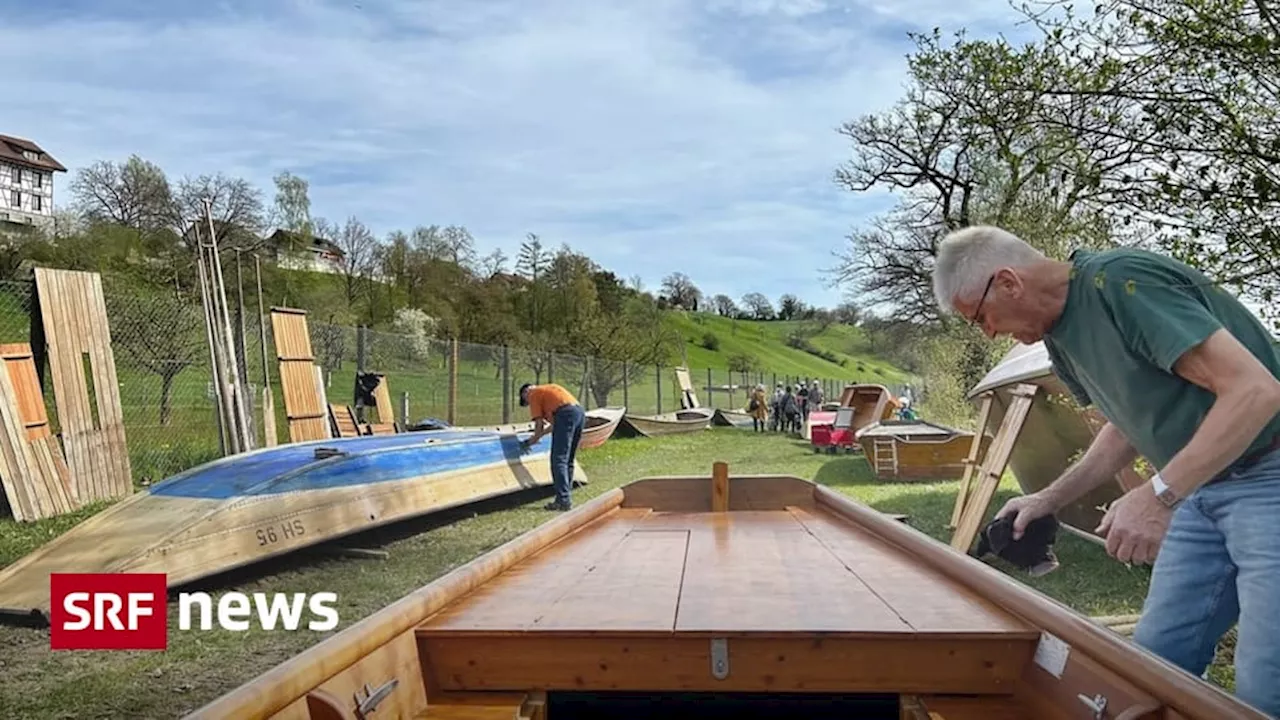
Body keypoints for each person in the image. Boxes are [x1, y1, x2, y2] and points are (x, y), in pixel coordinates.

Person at [931, 225, 1280, 715]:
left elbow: (1256, 391)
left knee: (1267, 685)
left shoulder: (1122, 284)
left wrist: (1158, 495)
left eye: (981, 317)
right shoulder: (1059, 338)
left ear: (1008, 282)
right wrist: (1046, 498)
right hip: (1204, 490)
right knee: (1155, 667)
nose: (987, 332)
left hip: (1270, 477)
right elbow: (1127, 423)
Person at [518, 382, 586, 511]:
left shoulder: (534, 394)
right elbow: (555, 425)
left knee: (558, 460)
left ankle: (563, 500)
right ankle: (566, 496)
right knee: (568, 460)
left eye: (526, 401)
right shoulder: (550, 390)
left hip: (565, 415)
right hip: (579, 413)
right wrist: (540, 436)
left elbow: (539, 424)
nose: (529, 404)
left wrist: (531, 440)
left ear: (525, 392)